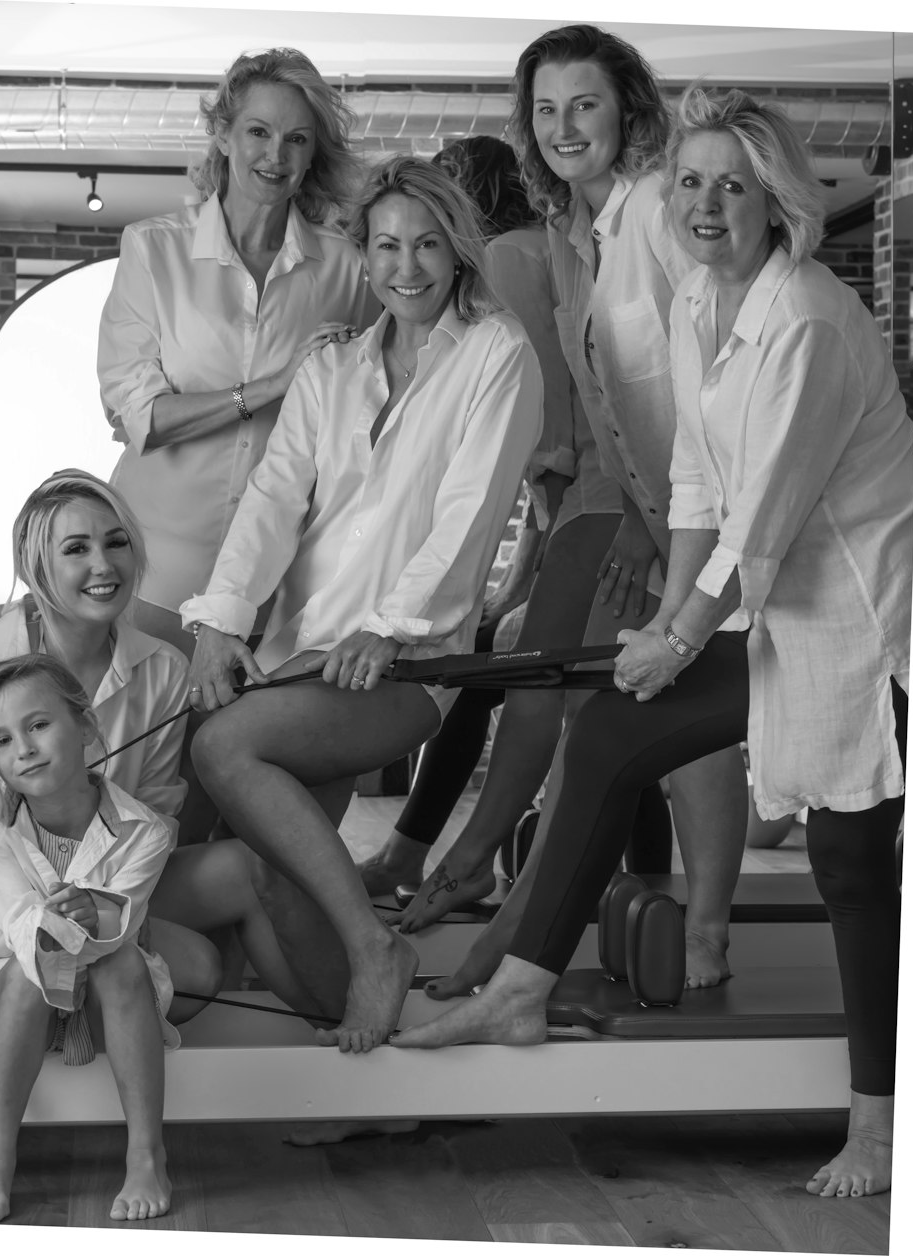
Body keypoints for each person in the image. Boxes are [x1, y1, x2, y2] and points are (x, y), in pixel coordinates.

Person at [394, 86, 913, 1203]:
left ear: (775, 199)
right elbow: (692, 479)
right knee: (613, 734)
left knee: (851, 864)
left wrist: (679, 633)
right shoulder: (695, 304)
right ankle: (522, 986)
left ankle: (878, 1122)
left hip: (857, 625)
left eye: (732, 183)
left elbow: (766, 510)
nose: (705, 203)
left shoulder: (810, 318)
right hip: (770, 607)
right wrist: (667, 619)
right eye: (687, 180)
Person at [391, 27, 748, 993]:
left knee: (681, 713)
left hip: (708, 514)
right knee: (638, 711)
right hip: (657, 504)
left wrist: (651, 521)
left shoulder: (660, 214)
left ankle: (702, 928)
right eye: (545, 111)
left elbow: (705, 385)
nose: (562, 127)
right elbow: (607, 402)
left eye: (583, 104)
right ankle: (519, 920)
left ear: (629, 108)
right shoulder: (578, 233)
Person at [182, 155, 544, 1054]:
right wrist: (223, 618)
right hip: (302, 653)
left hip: (409, 662)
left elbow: (472, 511)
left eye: (426, 244)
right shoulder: (334, 365)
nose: (406, 267)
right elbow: (272, 499)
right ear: (364, 254)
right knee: (271, 875)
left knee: (224, 743)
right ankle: (371, 1081)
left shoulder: (498, 355)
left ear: (458, 250)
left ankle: (373, 944)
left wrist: (391, 627)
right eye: (386, 246)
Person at [359, 134, 670, 899]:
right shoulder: (545, 249)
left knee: (555, 688)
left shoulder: (504, 265)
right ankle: (627, 885)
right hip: (597, 498)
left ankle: (464, 865)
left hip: (602, 497)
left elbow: (548, 430)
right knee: (587, 699)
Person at [0, 471, 308, 1066]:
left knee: (238, 882)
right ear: (36, 568)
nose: (104, 564)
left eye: (116, 543)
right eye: (76, 549)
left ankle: (339, 1026)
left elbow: (158, 809)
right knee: (186, 968)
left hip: (106, 883)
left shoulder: (162, 669)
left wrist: (105, 904)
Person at [98, 47, 371, 657]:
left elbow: (365, 413)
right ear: (222, 134)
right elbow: (141, 418)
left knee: (228, 750)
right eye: (258, 131)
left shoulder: (348, 270)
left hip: (276, 583)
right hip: (153, 569)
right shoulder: (153, 252)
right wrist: (274, 385)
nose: (275, 155)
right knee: (145, 750)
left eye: (296, 139)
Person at [0, 655, 181, 1223]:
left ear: (83, 727)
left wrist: (96, 914)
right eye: (2, 740)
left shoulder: (147, 830)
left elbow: (123, 923)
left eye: (37, 725)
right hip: (21, 993)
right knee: (28, 973)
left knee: (123, 962)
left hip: (108, 989)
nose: (23, 749)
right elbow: (17, 922)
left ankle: (146, 1155)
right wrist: (64, 920)